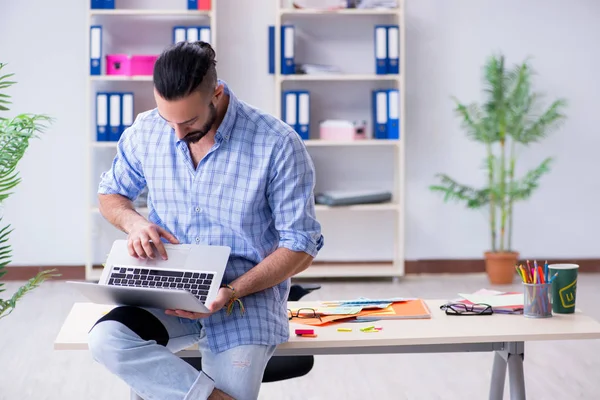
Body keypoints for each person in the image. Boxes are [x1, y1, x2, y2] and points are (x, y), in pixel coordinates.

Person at [87, 41, 324, 400]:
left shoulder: (277, 144)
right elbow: (111, 195)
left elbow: (301, 246)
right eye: (169, 120)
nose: (177, 135)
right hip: (168, 291)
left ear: (217, 93)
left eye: (189, 121)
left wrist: (232, 291)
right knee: (106, 339)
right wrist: (135, 223)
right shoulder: (147, 130)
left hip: (246, 298)